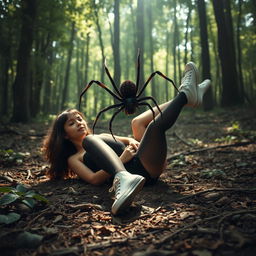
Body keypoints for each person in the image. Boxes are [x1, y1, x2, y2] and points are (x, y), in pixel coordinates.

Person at [42, 62, 211, 215]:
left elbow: (131, 140)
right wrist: (122, 160)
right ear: (64, 134)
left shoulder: (101, 137)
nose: (79, 123)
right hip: (138, 171)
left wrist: (135, 143)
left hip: (143, 160)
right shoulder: (74, 158)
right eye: (71, 123)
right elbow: (93, 179)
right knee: (152, 128)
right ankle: (185, 95)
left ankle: (187, 98)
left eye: (79, 118)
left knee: (137, 122)